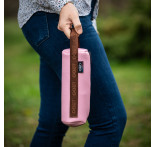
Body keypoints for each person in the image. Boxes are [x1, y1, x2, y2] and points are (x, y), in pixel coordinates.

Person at [18, 0, 127, 146]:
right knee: (110, 121)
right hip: (63, 17)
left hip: (54, 18)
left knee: (51, 125)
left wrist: (91, 21)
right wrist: (63, 4)